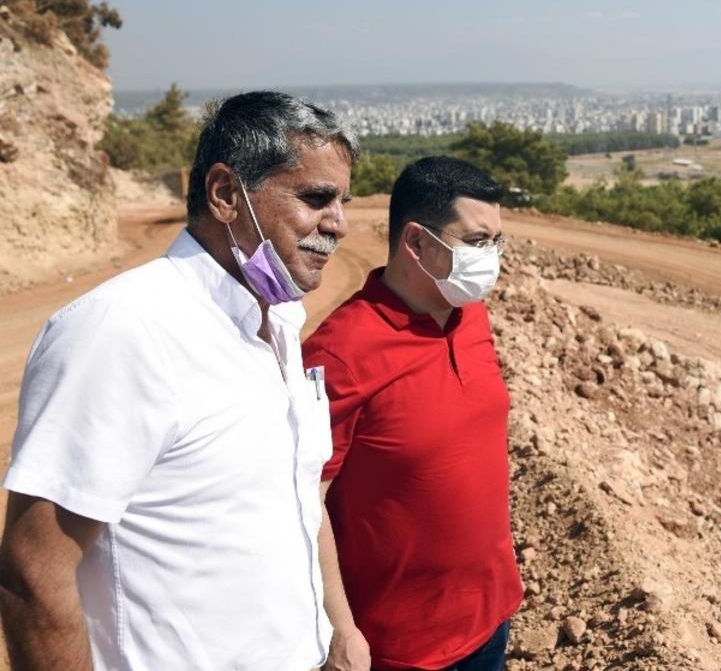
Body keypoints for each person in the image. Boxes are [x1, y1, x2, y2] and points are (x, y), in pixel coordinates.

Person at [0, 91, 358, 670]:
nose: (338, 224)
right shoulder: (123, 331)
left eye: (343, 200)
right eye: (316, 198)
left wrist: (331, 632)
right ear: (224, 194)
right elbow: (33, 574)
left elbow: (293, 502)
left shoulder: (281, 321)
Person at [304, 156, 522, 671]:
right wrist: (339, 626)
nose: (491, 258)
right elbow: (300, 497)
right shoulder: (339, 353)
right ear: (417, 243)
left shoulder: (472, 318)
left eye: (496, 241)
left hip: (490, 619)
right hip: (398, 648)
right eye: (476, 241)